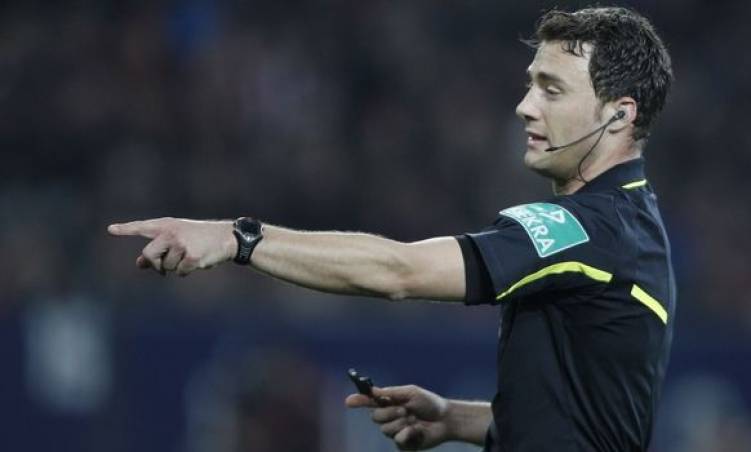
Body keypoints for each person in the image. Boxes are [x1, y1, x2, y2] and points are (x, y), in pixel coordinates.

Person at [108, 6, 675, 451]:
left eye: (552, 90)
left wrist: (238, 239)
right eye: (531, 84)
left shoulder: (583, 229)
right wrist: (455, 418)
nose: (525, 106)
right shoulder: (635, 224)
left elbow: (400, 272)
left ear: (619, 114)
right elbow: (589, 421)